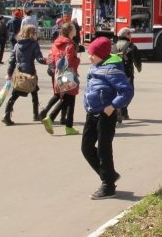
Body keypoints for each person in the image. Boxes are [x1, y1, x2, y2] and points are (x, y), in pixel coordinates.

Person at [81, 37, 133, 200]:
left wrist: (112, 107)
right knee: (86, 148)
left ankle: (108, 186)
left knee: (104, 150)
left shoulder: (112, 69)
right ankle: (109, 175)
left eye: (92, 54)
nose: (89, 57)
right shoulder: (94, 67)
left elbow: (127, 91)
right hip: (92, 112)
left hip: (106, 114)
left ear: (102, 55)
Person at [2, 24, 46, 125]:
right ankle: (35, 114)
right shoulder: (34, 44)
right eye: (35, 32)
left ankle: (7, 114)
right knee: (34, 92)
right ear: (31, 33)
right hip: (30, 73)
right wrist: (49, 61)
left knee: (15, 94)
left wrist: (9, 73)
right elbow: (39, 59)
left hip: (20, 74)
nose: (36, 34)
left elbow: (12, 60)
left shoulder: (17, 45)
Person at [41, 22, 80, 135]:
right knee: (68, 98)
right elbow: (70, 61)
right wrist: (77, 60)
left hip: (58, 74)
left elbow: (51, 58)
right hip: (68, 74)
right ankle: (51, 118)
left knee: (70, 99)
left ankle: (69, 126)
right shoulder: (70, 44)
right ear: (69, 31)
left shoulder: (56, 43)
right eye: (73, 28)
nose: (76, 30)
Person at [115, 27, 141, 121]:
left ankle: (124, 113)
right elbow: (137, 60)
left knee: (119, 92)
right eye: (130, 34)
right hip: (127, 74)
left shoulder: (113, 46)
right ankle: (119, 109)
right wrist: (139, 68)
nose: (131, 35)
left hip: (114, 74)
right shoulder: (131, 46)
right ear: (126, 35)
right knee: (129, 92)